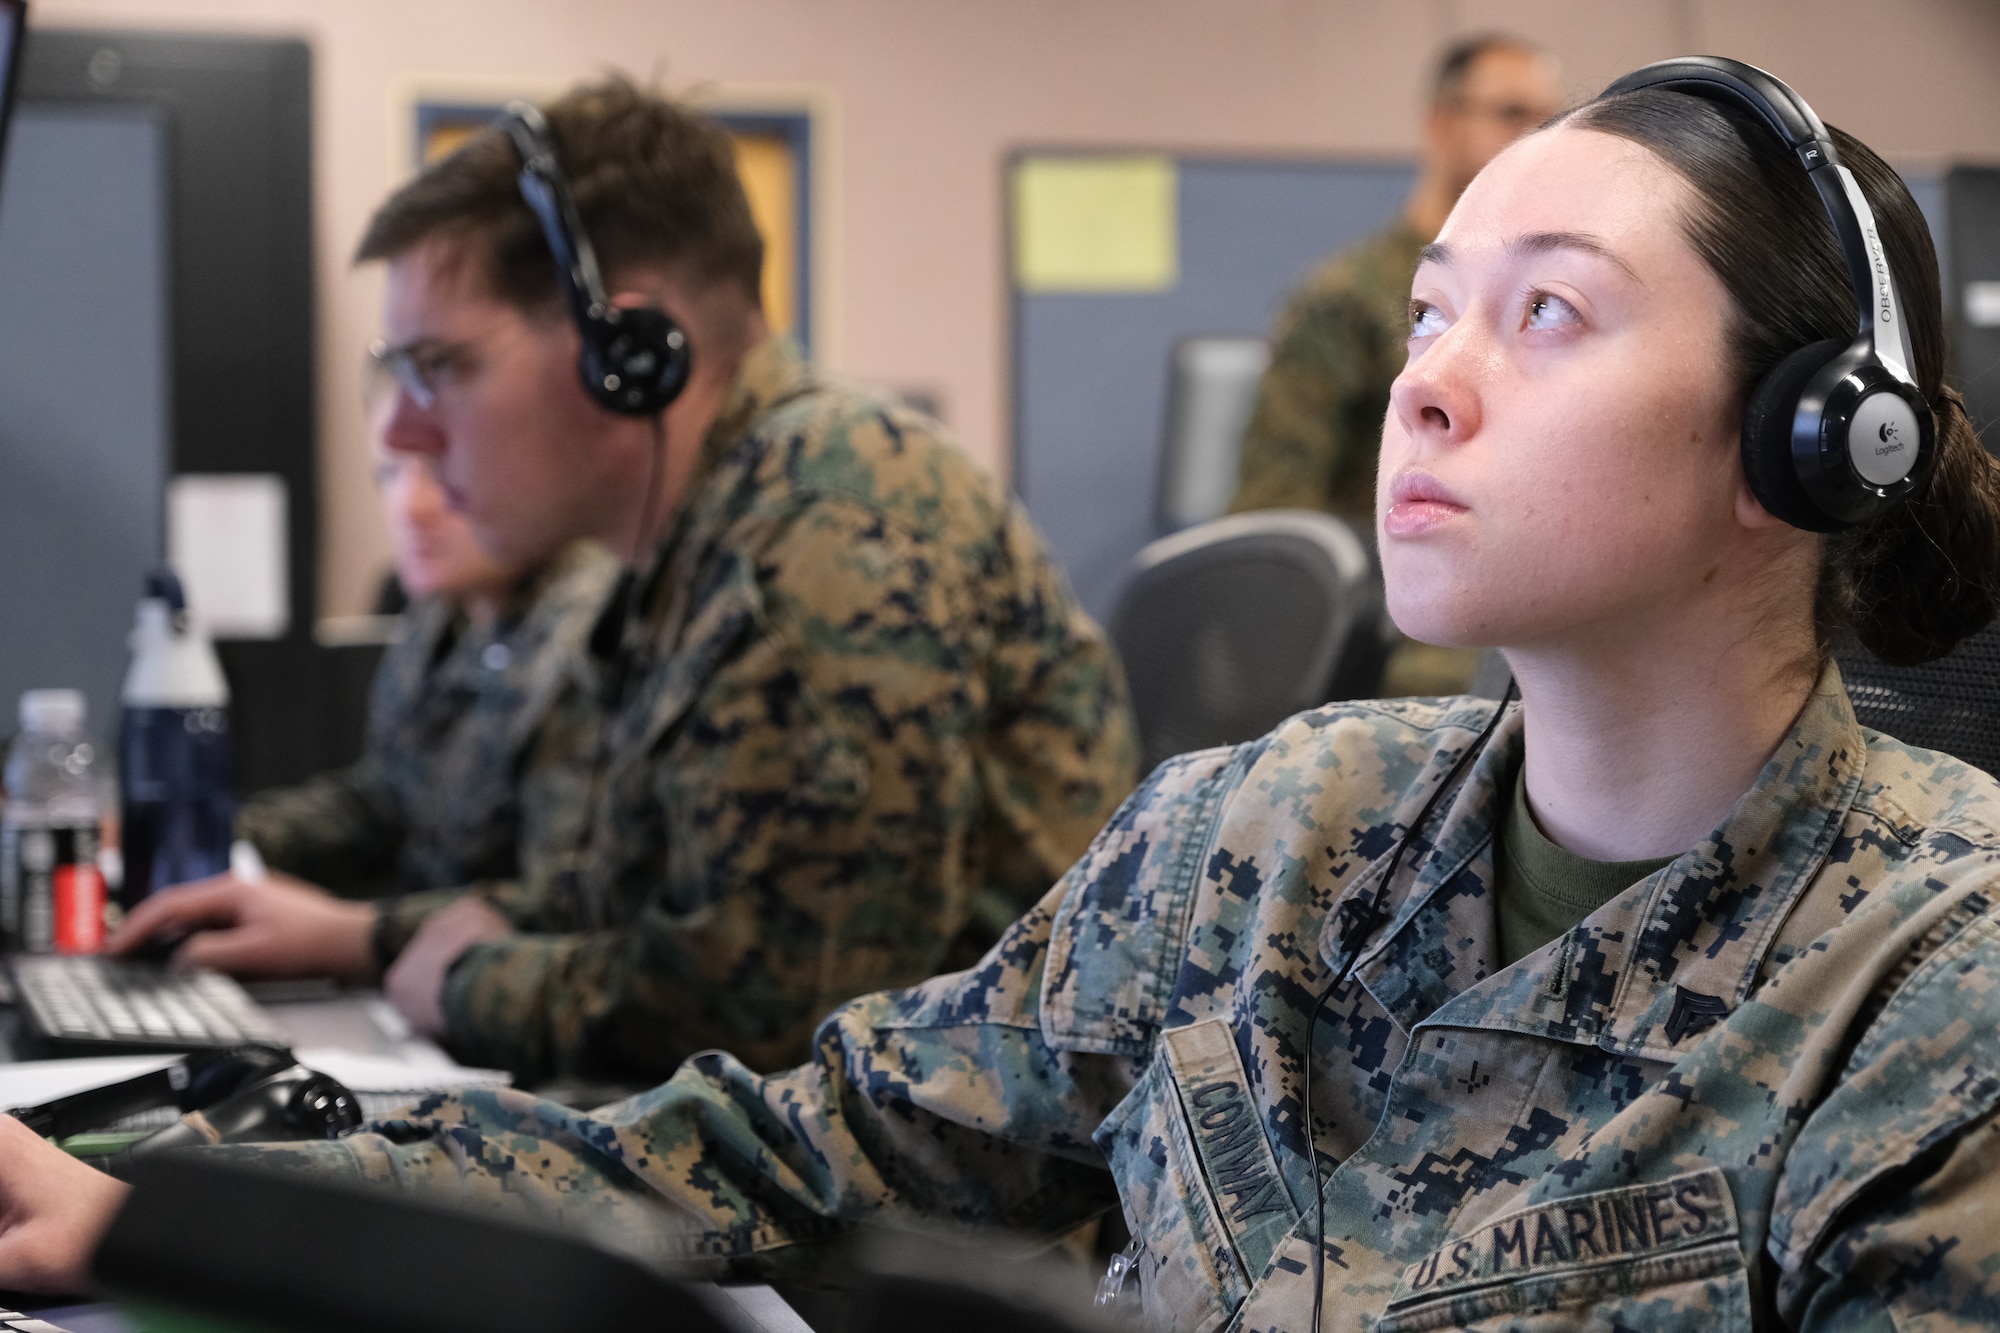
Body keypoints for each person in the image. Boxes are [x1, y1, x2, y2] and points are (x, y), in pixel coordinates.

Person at [10, 61, 2000, 1331]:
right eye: (1427, 313)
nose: (1426, 381)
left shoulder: (1941, 983)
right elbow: (786, 1145)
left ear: (1808, 443)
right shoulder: (1266, 834)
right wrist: (169, 1199)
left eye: (1546, 313)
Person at [108, 78, 1140, 1085]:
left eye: (442, 366)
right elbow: (625, 900)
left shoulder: (822, 531)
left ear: (627, 351)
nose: (404, 429)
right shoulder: (691, 550)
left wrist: (458, 978)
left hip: (924, 1223)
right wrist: (381, 938)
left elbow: (782, 1022)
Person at [1231, 34, 1561, 696]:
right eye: (1509, 115)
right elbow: (1272, 518)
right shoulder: (1348, 298)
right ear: (1442, 123)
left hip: (1529, 606)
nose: (1536, 140)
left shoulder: (1553, 302)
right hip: (1401, 628)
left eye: (1547, 121)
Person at [233, 439, 620, 899]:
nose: (409, 508)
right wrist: (214, 839)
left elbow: (561, 910)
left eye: (443, 471)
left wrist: (352, 937)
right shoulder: (444, 613)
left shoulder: (589, 636)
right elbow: (384, 805)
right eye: (390, 474)